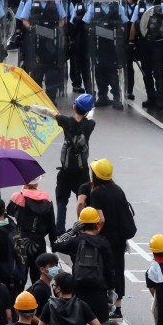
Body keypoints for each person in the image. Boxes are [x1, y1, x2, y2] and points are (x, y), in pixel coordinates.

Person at [28, 95, 96, 235]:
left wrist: (31, 107)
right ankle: (85, 228)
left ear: (74, 107)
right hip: (82, 172)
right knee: (84, 201)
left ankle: (59, 231)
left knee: (61, 202)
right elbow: (90, 117)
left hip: (65, 172)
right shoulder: (90, 125)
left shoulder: (66, 121)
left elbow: (47, 112)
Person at [85, 159, 135, 319]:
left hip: (105, 238)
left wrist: (94, 234)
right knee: (118, 269)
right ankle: (118, 307)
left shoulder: (96, 193)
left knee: (102, 269)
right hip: (120, 237)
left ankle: (105, 304)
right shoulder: (117, 190)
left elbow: (101, 219)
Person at [53, 207, 114, 324]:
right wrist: (111, 290)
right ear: (97, 225)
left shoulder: (75, 242)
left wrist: (72, 231)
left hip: (79, 289)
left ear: (80, 225)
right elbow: (109, 269)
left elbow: (56, 244)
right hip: (99, 291)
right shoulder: (103, 243)